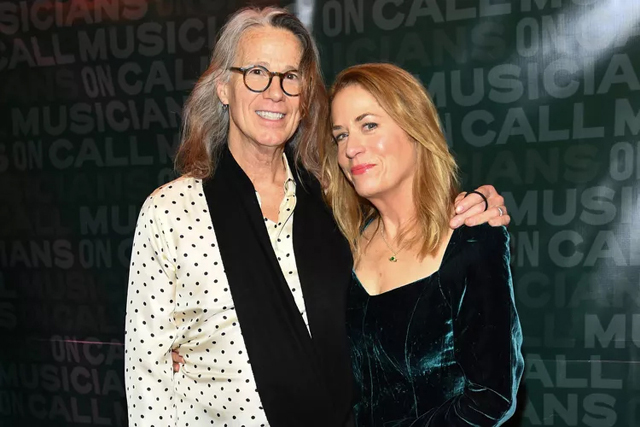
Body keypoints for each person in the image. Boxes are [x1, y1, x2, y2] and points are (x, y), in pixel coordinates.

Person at [126, 7, 510, 427]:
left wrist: (478, 203)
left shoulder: (332, 205)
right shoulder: (171, 212)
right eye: (257, 72)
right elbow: (148, 375)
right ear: (223, 86)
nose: (275, 92)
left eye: (290, 77)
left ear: (304, 95)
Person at [319, 62, 523, 426]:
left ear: (415, 129)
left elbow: (491, 399)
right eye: (341, 135)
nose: (351, 148)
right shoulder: (340, 246)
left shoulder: (473, 236)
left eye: (368, 125)